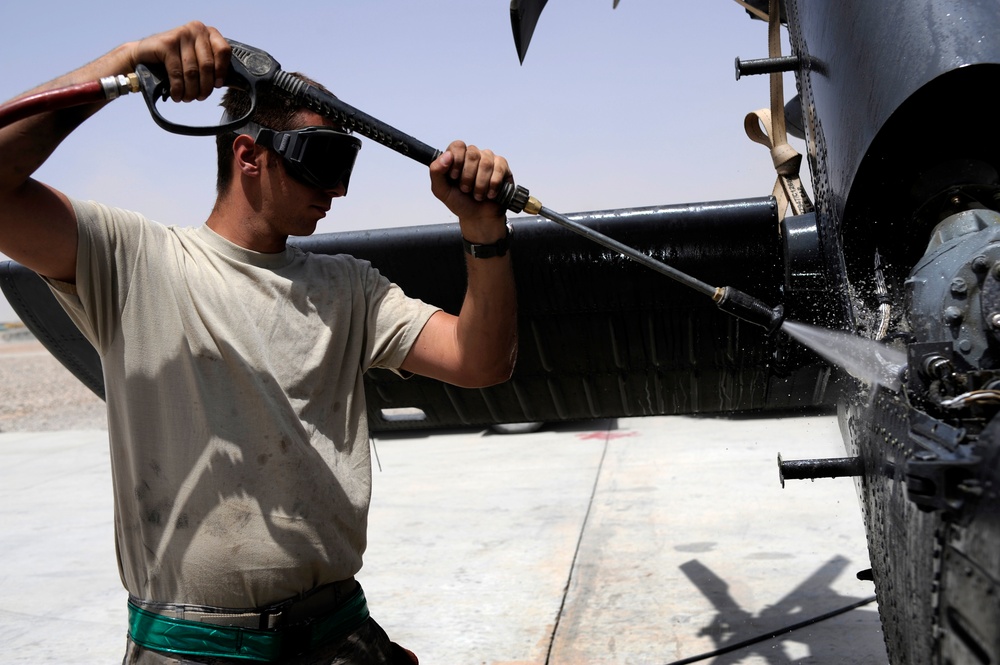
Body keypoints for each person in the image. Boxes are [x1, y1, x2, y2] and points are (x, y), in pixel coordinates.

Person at [0, 21, 517, 665]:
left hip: (338, 636)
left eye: (346, 164)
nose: (337, 191)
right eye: (323, 163)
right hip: (193, 650)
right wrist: (123, 64)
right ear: (249, 156)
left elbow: (482, 360)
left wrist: (483, 230)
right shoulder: (134, 261)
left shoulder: (348, 289)